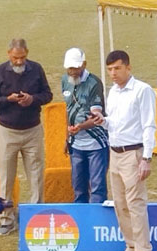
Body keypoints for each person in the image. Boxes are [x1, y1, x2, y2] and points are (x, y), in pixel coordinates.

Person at [91, 50, 156, 251]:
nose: (113, 73)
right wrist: (103, 121)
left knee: (135, 203)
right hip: (115, 152)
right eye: (110, 69)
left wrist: (146, 157)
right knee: (120, 204)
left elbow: (149, 125)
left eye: (117, 68)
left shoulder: (142, 91)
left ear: (128, 67)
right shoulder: (113, 93)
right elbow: (116, 123)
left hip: (133, 153)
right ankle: (131, 247)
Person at [0, 38, 53, 235]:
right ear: (8, 55)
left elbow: (47, 95)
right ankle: (6, 220)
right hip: (7, 132)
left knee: (36, 175)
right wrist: (8, 100)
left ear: (27, 53)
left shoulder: (37, 69)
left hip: (33, 130)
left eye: (22, 57)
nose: (19, 61)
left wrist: (32, 99)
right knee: (6, 177)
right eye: (15, 58)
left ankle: (36, 216)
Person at [60, 47, 109, 203]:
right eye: (70, 68)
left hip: (96, 144)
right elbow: (68, 110)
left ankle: (97, 222)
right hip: (76, 145)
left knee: (97, 188)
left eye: (76, 67)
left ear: (84, 64)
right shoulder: (64, 81)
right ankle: (81, 223)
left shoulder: (94, 83)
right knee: (78, 187)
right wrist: (67, 137)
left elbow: (96, 116)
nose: (73, 71)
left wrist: (80, 127)